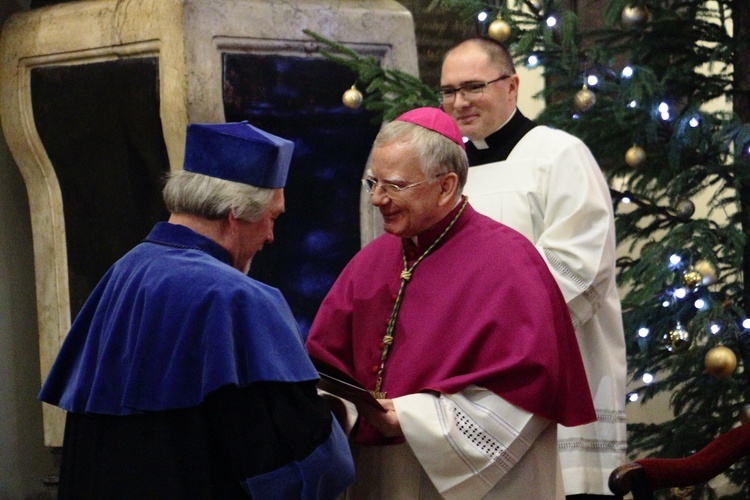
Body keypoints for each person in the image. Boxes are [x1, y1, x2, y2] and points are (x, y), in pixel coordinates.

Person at [39, 122, 355, 499]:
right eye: (272, 218)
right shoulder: (237, 299)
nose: (270, 236)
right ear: (235, 213)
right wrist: (341, 413)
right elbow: (306, 464)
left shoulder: (122, 274)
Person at [305, 107, 596, 499]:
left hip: (480, 484)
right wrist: (348, 407)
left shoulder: (509, 262)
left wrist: (412, 419)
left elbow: (529, 389)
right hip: (381, 472)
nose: (377, 198)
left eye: (394, 186)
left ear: (446, 186)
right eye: (372, 182)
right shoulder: (371, 261)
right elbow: (327, 362)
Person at [440, 37, 627, 499]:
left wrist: (490, 330)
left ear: (512, 86)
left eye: (473, 87)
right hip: (470, 389)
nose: (459, 103)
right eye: (447, 91)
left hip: (550, 378)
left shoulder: (558, 155)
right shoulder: (449, 173)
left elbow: (578, 267)